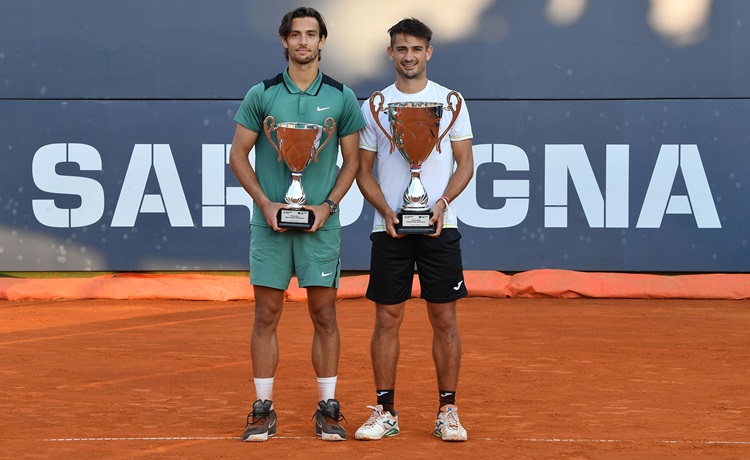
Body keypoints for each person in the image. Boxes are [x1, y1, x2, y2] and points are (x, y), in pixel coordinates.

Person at [229, 6, 365, 442]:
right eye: (296, 35)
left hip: (320, 226)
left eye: (311, 34)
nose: (303, 41)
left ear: (322, 41)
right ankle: (262, 408)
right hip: (269, 224)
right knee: (266, 313)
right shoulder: (262, 94)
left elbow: (353, 161)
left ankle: (328, 408)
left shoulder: (342, 96)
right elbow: (237, 155)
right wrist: (266, 203)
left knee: (324, 314)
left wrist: (327, 206)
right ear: (284, 41)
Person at [354, 18, 474, 442]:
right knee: (387, 317)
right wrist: (386, 210)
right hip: (389, 228)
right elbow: (362, 171)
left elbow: (466, 163)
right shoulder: (373, 105)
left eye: (416, 49)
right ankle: (385, 411)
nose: (409, 56)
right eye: (401, 49)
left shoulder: (451, 102)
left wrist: (441, 205)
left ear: (429, 53)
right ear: (391, 53)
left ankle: (448, 411)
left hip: (441, 226)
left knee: (444, 318)